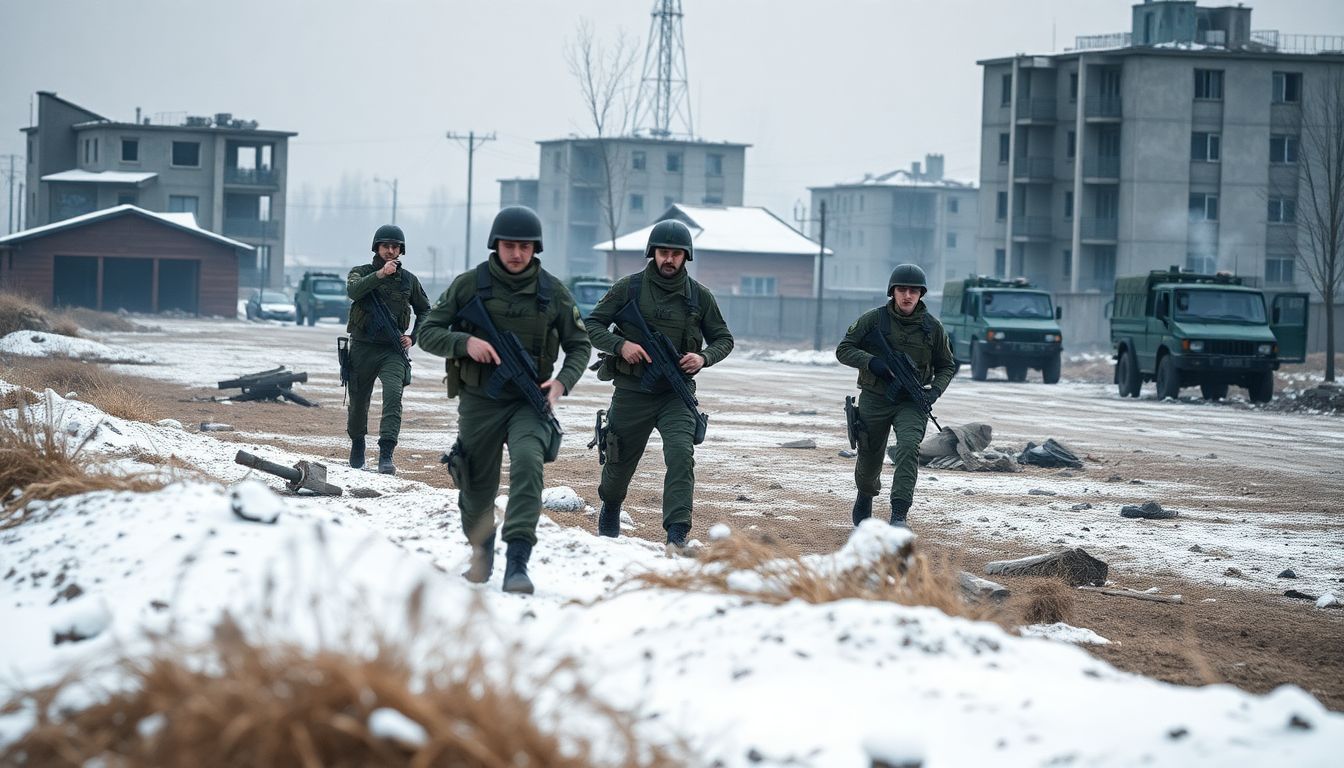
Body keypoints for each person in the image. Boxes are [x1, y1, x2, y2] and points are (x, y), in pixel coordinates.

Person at [417, 206, 591, 594]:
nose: (517, 254)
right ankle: (482, 551)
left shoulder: (552, 291)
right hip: (480, 400)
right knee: (476, 483)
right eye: (510, 245)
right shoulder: (469, 286)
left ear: (536, 249)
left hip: (530, 402)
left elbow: (580, 345)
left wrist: (562, 383)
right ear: (496, 245)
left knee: (530, 465)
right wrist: (465, 342)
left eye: (525, 247)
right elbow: (427, 331)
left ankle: (518, 561)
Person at [584, 219, 734, 553]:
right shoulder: (629, 288)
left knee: (681, 455)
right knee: (618, 461)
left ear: (686, 257)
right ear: (653, 253)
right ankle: (610, 508)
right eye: (663, 252)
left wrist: (704, 357)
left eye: (676, 254)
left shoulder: (699, 296)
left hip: (675, 395)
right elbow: (593, 323)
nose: (669, 259)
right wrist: (620, 346)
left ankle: (677, 533)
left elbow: (724, 338)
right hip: (632, 392)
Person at [835, 263, 956, 528]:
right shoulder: (874, 320)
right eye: (902, 289)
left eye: (914, 290)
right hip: (875, 397)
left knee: (908, 448)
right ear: (893, 291)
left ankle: (899, 513)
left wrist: (935, 390)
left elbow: (947, 365)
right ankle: (865, 494)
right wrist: (871, 362)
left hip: (911, 402)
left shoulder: (932, 328)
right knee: (869, 452)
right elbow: (844, 349)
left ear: (921, 294)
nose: (907, 296)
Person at [345, 224, 431, 474]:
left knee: (393, 397)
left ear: (401, 250)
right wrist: (380, 274)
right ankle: (358, 443)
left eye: (395, 247)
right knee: (359, 401)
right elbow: (353, 291)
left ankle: (386, 453)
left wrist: (413, 337)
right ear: (377, 248)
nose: (390, 251)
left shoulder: (408, 280)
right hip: (362, 348)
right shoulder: (360, 272)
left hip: (392, 350)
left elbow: (425, 310)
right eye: (386, 246)